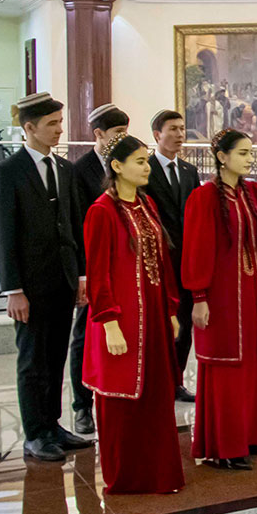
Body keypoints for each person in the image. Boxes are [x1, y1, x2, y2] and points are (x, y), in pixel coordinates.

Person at [0, 93, 93, 462]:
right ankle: (36, 433)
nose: (59, 130)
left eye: (60, 122)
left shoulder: (64, 169)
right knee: (33, 361)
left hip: (63, 281)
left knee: (55, 357)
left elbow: (74, 226)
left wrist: (80, 275)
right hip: (29, 287)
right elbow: (3, 235)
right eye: (51, 124)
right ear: (29, 128)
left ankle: (53, 425)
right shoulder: (8, 172)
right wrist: (13, 289)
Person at [82, 133, 185, 493]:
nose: (146, 167)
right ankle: (126, 477)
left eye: (146, 161)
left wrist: (171, 308)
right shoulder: (101, 211)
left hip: (153, 316)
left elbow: (163, 263)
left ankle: (158, 473)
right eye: (139, 161)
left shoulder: (147, 205)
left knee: (155, 396)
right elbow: (98, 274)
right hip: (121, 320)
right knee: (122, 400)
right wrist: (109, 322)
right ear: (117, 167)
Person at [183, 128, 257, 470]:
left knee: (250, 363)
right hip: (220, 296)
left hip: (249, 293)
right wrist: (199, 296)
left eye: (251, 154)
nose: (249, 160)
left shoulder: (250, 193)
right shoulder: (204, 196)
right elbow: (196, 248)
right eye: (242, 154)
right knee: (225, 368)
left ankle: (247, 437)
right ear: (221, 157)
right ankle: (224, 446)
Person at [68, 103, 129, 435]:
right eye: (117, 133)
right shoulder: (81, 171)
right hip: (94, 267)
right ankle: (82, 406)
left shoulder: (127, 165)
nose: (121, 138)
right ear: (99, 134)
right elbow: (79, 223)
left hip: (123, 268)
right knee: (84, 335)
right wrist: (83, 274)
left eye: (125, 132)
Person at [144, 109, 200, 402]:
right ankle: (157, 381)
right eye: (173, 129)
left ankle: (176, 381)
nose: (180, 135)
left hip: (186, 262)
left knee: (185, 324)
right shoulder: (144, 169)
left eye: (182, 129)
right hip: (159, 262)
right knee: (162, 324)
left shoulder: (189, 171)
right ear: (157, 135)